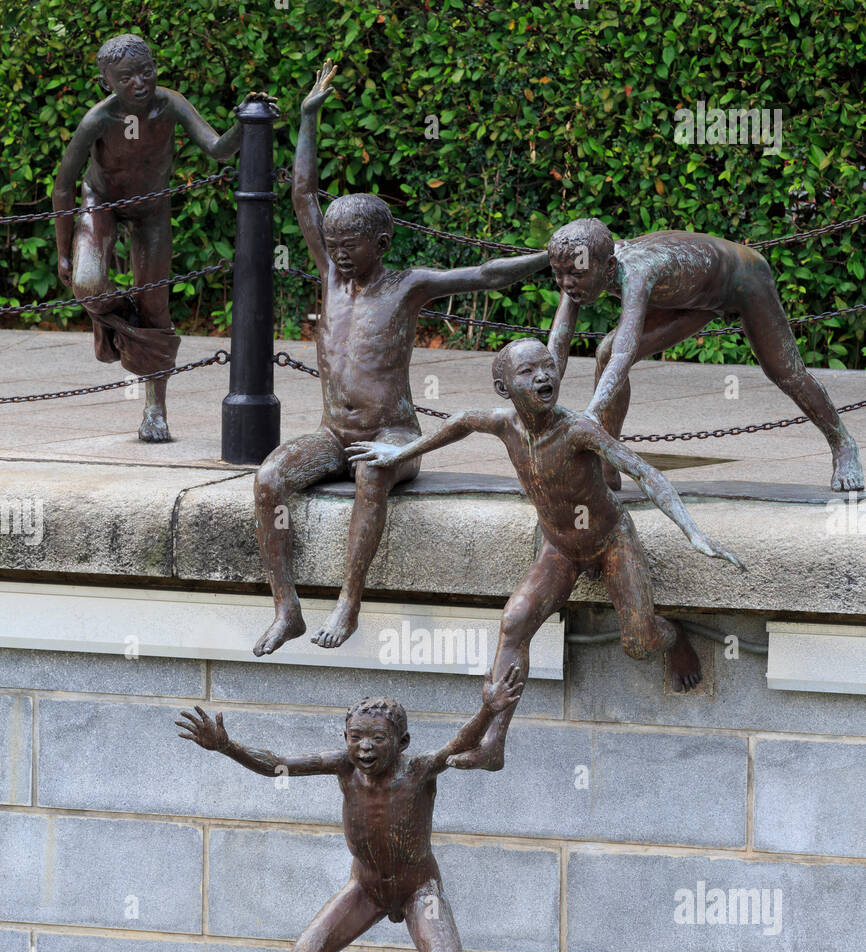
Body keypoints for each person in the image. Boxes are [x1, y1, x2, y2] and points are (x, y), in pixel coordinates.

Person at [346, 316, 744, 769]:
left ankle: (672, 639)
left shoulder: (579, 429)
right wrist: (399, 452)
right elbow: (458, 422)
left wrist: (693, 531)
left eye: (548, 367)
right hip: (559, 546)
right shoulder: (502, 424)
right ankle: (494, 742)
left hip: (610, 539)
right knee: (514, 621)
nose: (542, 377)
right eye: (527, 372)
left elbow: (645, 472)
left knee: (639, 643)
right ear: (504, 388)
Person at [253, 59, 549, 656]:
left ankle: (349, 601)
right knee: (267, 479)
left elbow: (485, 274)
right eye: (330, 246)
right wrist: (309, 116)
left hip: (392, 435)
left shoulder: (406, 287)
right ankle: (287, 607)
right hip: (334, 433)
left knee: (372, 473)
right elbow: (304, 194)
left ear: (380, 245)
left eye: (348, 246)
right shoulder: (331, 279)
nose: (334, 254)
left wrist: (547, 255)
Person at [175, 665, 525, 952]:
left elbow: (458, 744)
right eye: (356, 738)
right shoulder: (343, 767)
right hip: (367, 888)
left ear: (402, 742)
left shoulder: (417, 770)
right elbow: (278, 766)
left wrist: (486, 712)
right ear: (345, 739)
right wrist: (228, 746)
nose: (365, 749)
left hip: (418, 890)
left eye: (378, 739)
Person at [548, 217, 862, 493]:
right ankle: (606, 464)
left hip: (741, 279)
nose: (566, 284)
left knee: (785, 371)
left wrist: (590, 416)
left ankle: (843, 444)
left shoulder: (635, 270)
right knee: (603, 352)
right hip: (689, 296)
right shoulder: (579, 262)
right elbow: (558, 346)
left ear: (609, 267)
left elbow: (624, 353)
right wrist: (536, 400)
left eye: (573, 276)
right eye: (559, 275)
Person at [53, 34, 240, 441]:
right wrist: (62, 252)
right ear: (107, 83)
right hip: (100, 201)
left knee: (157, 307)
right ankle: (126, 319)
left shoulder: (170, 104)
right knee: (87, 282)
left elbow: (218, 150)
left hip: (152, 208)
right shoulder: (98, 119)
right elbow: (63, 185)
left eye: (147, 71)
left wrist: (247, 124)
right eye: (126, 78)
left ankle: (155, 411)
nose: (140, 83)